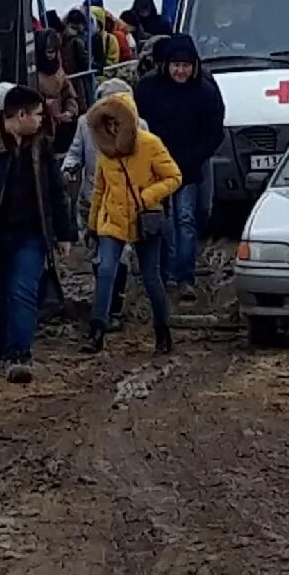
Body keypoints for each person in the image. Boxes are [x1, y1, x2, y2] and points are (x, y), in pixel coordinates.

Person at [0, 85, 75, 383]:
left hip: (30, 233)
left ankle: (19, 355)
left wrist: (64, 233)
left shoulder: (41, 145)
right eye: (37, 114)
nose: (41, 119)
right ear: (20, 115)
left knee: (23, 290)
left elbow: (55, 191)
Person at [83, 91, 181, 355]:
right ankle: (97, 330)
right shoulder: (106, 151)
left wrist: (148, 196)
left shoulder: (149, 144)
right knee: (105, 271)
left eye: (117, 123)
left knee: (151, 277)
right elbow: (99, 190)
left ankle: (162, 330)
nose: (114, 129)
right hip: (112, 219)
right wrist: (92, 225)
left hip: (144, 218)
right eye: (108, 124)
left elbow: (173, 176)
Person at [133, 34, 226, 303]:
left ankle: (184, 276)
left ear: (194, 66)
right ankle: (161, 273)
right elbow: (138, 125)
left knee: (186, 219)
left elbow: (214, 132)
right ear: (167, 65)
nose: (181, 71)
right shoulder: (148, 89)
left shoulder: (205, 92)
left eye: (186, 65)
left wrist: (192, 158)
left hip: (189, 166)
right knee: (162, 221)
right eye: (176, 65)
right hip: (156, 168)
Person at [63, 78, 140, 328]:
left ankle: (113, 307)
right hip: (91, 198)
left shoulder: (140, 126)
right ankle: (105, 298)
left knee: (120, 254)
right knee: (97, 253)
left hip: (124, 202)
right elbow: (76, 151)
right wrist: (69, 167)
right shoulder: (86, 124)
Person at [33, 30, 80, 147]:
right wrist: (46, 105)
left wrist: (69, 111)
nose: (50, 55)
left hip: (60, 127)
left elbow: (69, 94)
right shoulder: (31, 74)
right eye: (47, 51)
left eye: (53, 51)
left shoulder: (58, 70)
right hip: (39, 127)